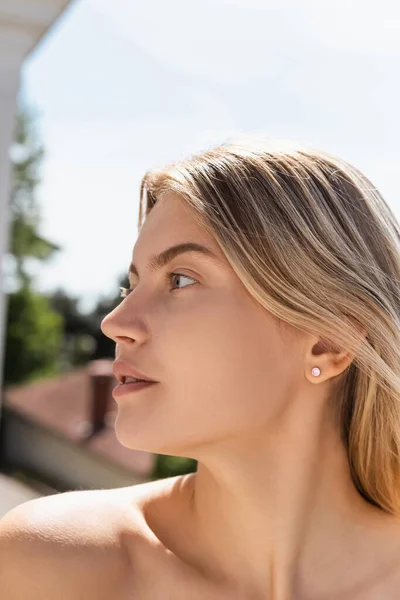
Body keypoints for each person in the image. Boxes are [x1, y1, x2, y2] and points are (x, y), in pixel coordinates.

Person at [1, 136, 400, 600]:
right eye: (131, 286)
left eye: (181, 279)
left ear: (329, 342)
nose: (115, 323)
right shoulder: (52, 563)